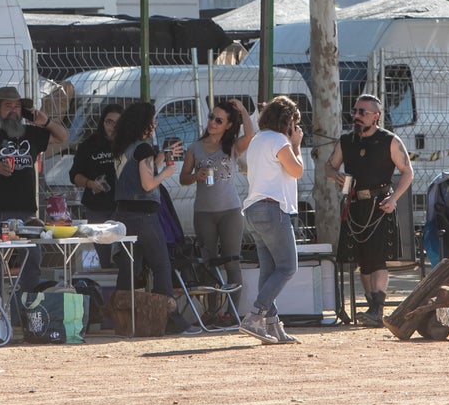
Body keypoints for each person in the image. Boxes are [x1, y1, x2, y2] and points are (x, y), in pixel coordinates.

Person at [0, 86, 68, 295]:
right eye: (8, 106)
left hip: (26, 212)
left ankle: (30, 311)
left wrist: (45, 122)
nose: (13, 110)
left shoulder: (33, 134)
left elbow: (63, 136)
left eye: (17, 106)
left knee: (32, 260)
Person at [325, 94, 414, 327]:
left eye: (362, 112)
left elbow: (408, 172)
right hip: (355, 206)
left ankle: (377, 309)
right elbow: (329, 167)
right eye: (355, 111)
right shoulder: (346, 141)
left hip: (380, 205)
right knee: (363, 261)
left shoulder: (389, 141)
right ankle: (372, 308)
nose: (356, 116)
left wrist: (394, 199)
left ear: (376, 116)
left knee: (378, 260)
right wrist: (336, 176)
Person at [112, 101, 189, 334]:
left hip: (124, 216)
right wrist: (166, 172)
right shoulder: (142, 148)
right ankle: (168, 319)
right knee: (161, 266)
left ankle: (122, 321)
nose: (154, 125)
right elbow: (147, 184)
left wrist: (160, 157)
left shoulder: (123, 147)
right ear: (144, 124)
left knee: (129, 270)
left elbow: (137, 173)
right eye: (152, 121)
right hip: (145, 216)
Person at [179, 98, 255, 325]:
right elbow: (183, 178)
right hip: (204, 212)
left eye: (219, 120)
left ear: (228, 125)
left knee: (232, 261)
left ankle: (232, 313)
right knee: (208, 263)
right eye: (212, 117)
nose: (212, 122)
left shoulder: (231, 147)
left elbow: (250, 135)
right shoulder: (195, 147)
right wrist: (196, 176)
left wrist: (242, 110)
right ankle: (211, 313)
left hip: (230, 211)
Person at [240, 95, 306, 345]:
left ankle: (272, 325)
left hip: (254, 210)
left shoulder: (258, 139)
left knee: (269, 270)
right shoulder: (279, 140)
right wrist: (296, 144)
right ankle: (255, 316)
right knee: (288, 267)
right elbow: (297, 170)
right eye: (294, 123)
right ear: (288, 122)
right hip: (272, 209)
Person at [69, 103, 123, 267]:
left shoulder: (128, 144)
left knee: (124, 251)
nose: (113, 127)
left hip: (123, 204)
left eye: (117, 122)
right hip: (97, 206)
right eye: (109, 122)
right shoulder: (89, 145)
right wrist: (90, 183)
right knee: (103, 253)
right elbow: (74, 175)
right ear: (102, 123)